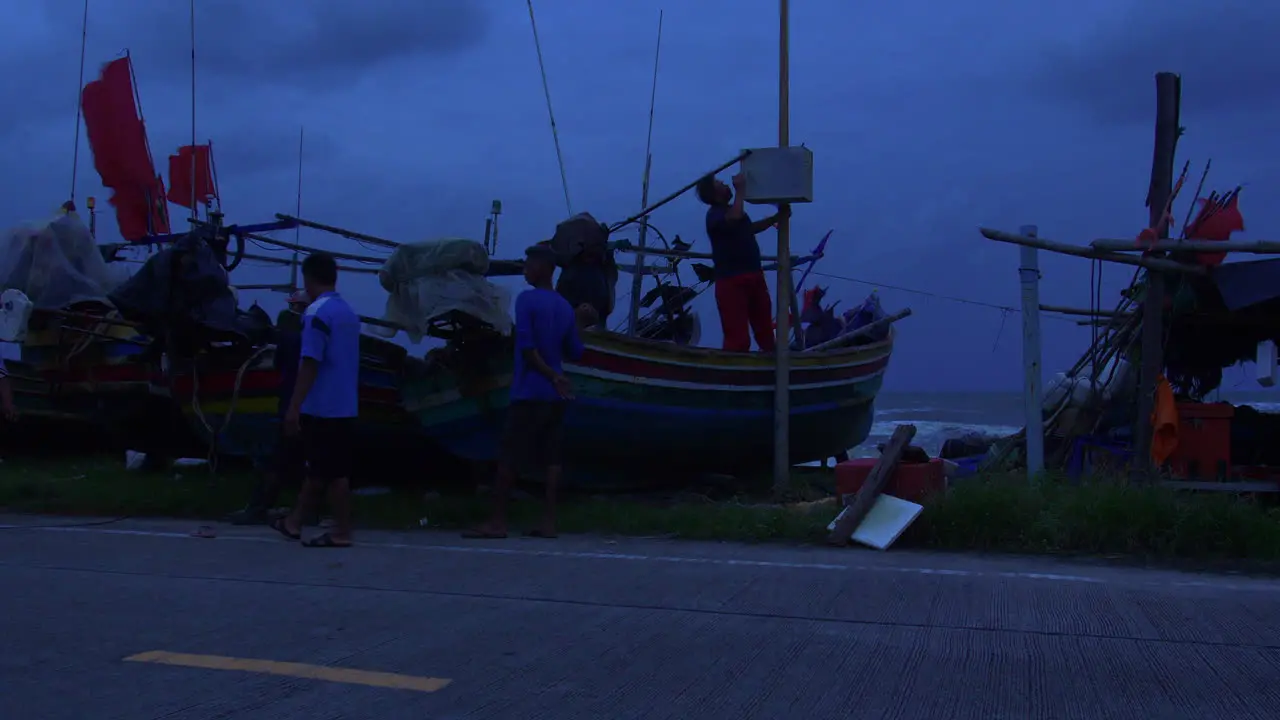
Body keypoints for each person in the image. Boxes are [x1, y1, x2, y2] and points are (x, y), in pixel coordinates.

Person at [464, 244, 590, 540]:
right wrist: (580, 325)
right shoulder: (563, 306)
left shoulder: (527, 300)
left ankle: (497, 522)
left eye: (529, 263)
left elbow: (527, 349)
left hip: (530, 392)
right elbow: (575, 351)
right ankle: (548, 523)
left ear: (545, 268)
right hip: (555, 398)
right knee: (551, 460)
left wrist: (551, 376)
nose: (525, 268)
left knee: (509, 457)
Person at [269, 253, 360, 548]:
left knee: (331, 473)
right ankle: (294, 523)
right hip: (345, 403)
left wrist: (294, 406)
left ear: (307, 279)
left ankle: (341, 531)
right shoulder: (347, 312)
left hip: (322, 406)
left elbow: (310, 362)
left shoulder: (316, 313)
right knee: (322, 469)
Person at [227, 291, 310, 525]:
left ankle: (258, 509)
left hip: (291, 404)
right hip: (308, 405)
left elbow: (281, 364)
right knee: (298, 460)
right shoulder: (311, 335)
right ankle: (305, 511)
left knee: (276, 459)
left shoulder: (291, 337)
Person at [695, 172, 790, 352]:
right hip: (732, 282)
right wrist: (741, 191)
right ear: (714, 193)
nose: (724, 183)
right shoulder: (715, 215)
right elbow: (735, 218)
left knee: (765, 331)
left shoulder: (731, 211)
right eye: (718, 183)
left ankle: (772, 368)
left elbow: (749, 228)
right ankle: (735, 376)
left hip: (753, 276)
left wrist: (775, 219)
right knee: (737, 338)